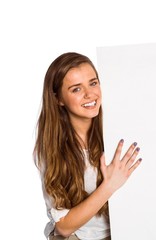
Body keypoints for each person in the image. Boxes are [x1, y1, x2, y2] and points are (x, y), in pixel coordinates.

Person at [33, 52, 142, 240]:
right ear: (58, 99)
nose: (90, 94)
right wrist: (109, 186)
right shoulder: (50, 148)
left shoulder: (117, 131)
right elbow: (64, 228)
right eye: (76, 89)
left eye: (93, 83)